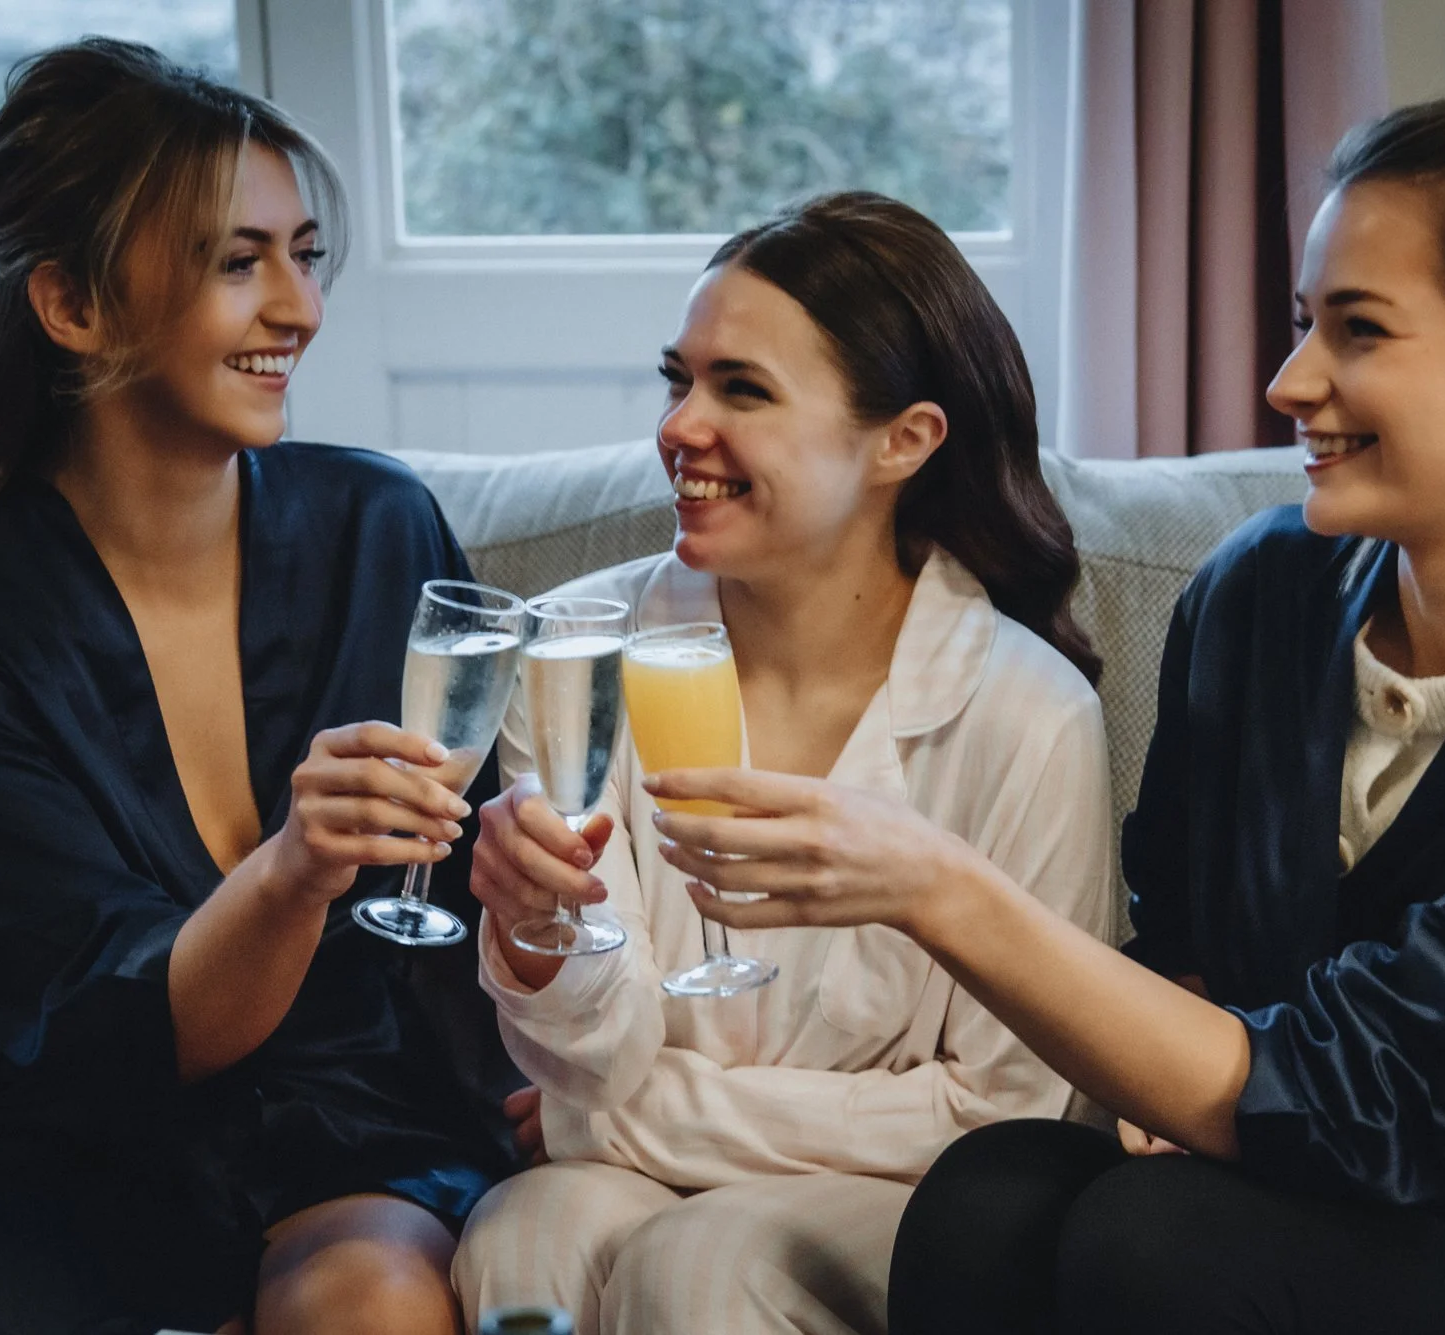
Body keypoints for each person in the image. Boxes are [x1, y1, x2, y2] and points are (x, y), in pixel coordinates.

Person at [654, 86, 1445, 1334]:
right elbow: (1186, 938)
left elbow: (1374, 1094)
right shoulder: (1259, 596)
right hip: (1289, 1184)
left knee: (1158, 1241)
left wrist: (934, 883)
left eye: (1357, 331)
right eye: (1302, 323)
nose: (1286, 380)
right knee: (989, 1196)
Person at [0, 39, 521, 1335]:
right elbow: (123, 1036)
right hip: (57, 1161)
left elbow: (475, 888)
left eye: (305, 253)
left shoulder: (382, 525)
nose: (299, 309)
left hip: (342, 1120)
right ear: (72, 306)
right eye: (235, 259)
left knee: (377, 1295)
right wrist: (295, 866)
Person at [449, 192, 1120, 1335]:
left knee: (700, 1264)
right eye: (679, 380)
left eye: (741, 390)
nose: (679, 427)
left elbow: (1004, 1110)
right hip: (633, 1159)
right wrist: (532, 937)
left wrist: (605, 1120)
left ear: (901, 440)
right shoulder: (572, 654)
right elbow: (594, 1057)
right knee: (525, 1236)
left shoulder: (1027, 715)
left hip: (913, 1203)